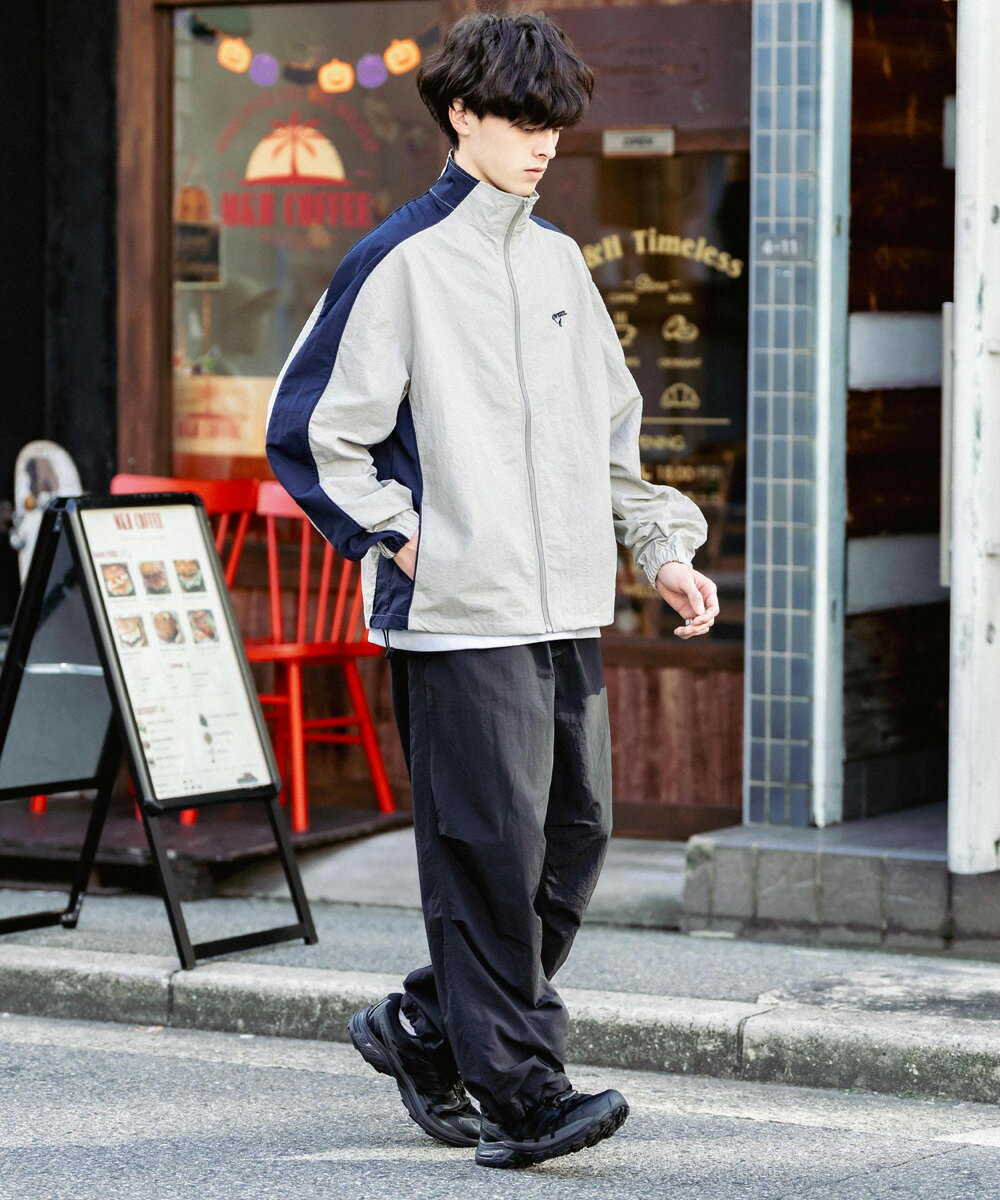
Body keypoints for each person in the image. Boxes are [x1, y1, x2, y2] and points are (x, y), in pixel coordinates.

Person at [265, 10, 718, 1169]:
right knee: (487, 855)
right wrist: (403, 536)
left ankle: (426, 1027)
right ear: (461, 114)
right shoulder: (398, 262)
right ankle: (520, 1096)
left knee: (572, 844)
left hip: (562, 609)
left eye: (553, 123)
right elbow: (311, 432)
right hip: (457, 617)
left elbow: (609, 439)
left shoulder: (559, 263)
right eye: (522, 120)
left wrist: (662, 549)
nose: (543, 143)